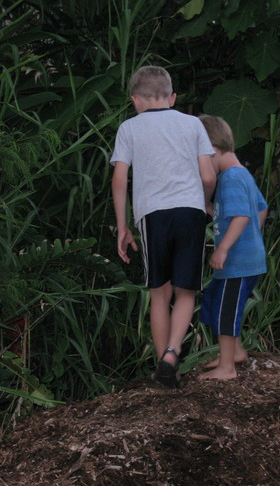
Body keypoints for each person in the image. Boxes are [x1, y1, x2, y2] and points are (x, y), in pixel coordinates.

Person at [110, 65, 216, 387]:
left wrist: (123, 226)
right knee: (186, 290)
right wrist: (205, 204)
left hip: (153, 215)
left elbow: (119, 179)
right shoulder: (192, 124)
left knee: (159, 292)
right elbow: (208, 176)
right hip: (190, 210)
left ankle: (165, 371)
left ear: (135, 100)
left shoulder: (129, 128)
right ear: (172, 98)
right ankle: (173, 352)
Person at [197, 114, 268, 380]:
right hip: (245, 260)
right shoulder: (242, 174)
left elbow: (241, 216)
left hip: (237, 262)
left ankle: (227, 367)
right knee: (215, 301)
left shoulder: (230, 179)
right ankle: (235, 351)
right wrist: (250, 235)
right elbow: (261, 208)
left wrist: (223, 248)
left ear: (212, 150)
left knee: (226, 310)